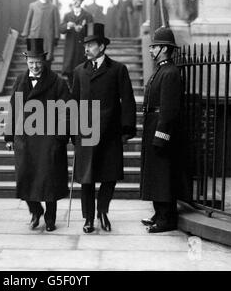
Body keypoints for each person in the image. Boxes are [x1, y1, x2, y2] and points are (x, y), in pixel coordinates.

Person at [72, 23, 136, 233]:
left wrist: (126, 130)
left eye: (90, 45)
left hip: (110, 133)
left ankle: (102, 211)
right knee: (87, 179)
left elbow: (127, 100)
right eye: (85, 45)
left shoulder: (118, 69)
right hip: (86, 133)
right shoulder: (79, 71)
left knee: (109, 177)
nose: (86, 49)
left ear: (101, 46)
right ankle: (89, 218)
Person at [4, 38, 70, 232]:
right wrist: (9, 136)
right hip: (24, 139)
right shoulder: (19, 81)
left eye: (38, 62)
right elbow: (13, 108)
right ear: (26, 61)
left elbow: (67, 111)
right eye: (31, 62)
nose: (35, 66)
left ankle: (50, 218)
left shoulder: (58, 82)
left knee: (49, 180)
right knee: (25, 177)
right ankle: (35, 211)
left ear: (44, 61)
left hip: (49, 140)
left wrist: (60, 137)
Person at [140, 26, 192, 233]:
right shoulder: (162, 70)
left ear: (163, 49)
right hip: (153, 126)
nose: (151, 50)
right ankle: (159, 214)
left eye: (154, 47)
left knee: (163, 176)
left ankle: (166, 219)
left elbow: (169, 110)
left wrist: (161, 137)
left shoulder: (170, 73)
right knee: (155, 174)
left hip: (161, 130)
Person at [22, 0, 60, 70]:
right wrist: (25, 34)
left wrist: (56, 36)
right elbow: (28, 20)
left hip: (48, 38)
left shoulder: (53, 7)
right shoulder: (33, 6)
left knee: (46, 60)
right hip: (35, 35)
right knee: (34, 58)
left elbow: (56, 23)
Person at [60, 0, 93, 89]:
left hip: (82, 49)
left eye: (78, 0)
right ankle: (72, 93)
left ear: (81, 1)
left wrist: (83, 29)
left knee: (83, 72)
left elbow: (91, 32)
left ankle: (82, 95)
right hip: (70, 49)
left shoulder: (88, 16)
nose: (76, 2)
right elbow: (61, 29)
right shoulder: (67, 16)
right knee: (70, 72)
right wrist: (68, 26)